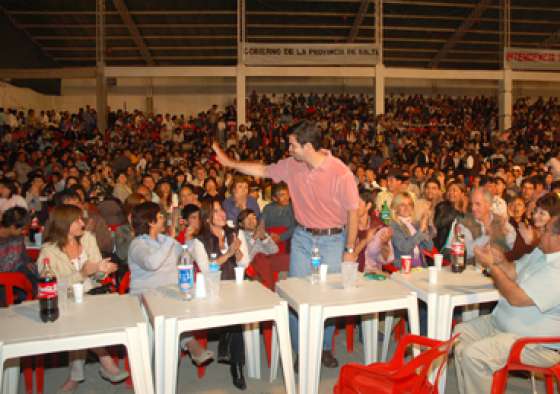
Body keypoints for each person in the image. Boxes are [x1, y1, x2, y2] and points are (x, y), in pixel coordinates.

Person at [213, 119, 359, 369]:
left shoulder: (340, 172)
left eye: (292, 145)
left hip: (334, 239)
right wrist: (230, 163)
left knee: (330, 297)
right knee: (296, 294)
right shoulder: (292, 165)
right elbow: (262, 170)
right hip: (302, 237)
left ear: (308, 146)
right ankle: (301, 349)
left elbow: (353, 213)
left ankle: (323, 347)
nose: (288, 149)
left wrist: (349, 250)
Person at [454, 215, 560, 394]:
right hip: (504, 325)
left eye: (546, 230)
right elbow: (513, 271)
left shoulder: (557, 270)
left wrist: (491, 267)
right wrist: (499, 260)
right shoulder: (541, 253)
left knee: (475, 355)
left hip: (535, 344)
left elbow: (515, 297)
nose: (539, 233)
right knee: (458, 336)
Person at [36, 204, 126, 392]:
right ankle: (105, 360)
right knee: (80, 320)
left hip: (92, 294)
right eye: (76, 220)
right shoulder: (49, 252)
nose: (82, 223)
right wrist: (82, 273)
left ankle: (76, 375)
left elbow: (97, 275)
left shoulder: (88, 239)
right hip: (65, 300)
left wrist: (102, 270)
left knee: (84, 319)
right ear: (64, 224)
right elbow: (52, 287)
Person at [127, 202, 213, 366]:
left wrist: (188, 239)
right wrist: (171, 239)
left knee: (203, 300)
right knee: (172, 311)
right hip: (147, 296)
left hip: (170, 293)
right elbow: (152, 263)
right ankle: (190, 344)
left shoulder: (165, 240)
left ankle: (185, 346)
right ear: (151, 222)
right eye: (160, 217)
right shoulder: (138, 244)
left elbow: (185, 257)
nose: (164, 220)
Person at [187, 199, 247, 390]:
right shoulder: (199, 241)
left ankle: (236, 365)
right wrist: (229, 254)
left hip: (233, 285)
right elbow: (206, 270)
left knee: (237, 315)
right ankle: (233, 357)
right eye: (216, 211)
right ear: (207, 218)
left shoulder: (234, 233)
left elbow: (244, 264)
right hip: (211, 290)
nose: (223, 214)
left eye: (222, 210)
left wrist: (237, 254)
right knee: (235, 318)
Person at [389, 191, 433, 268]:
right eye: (402, 205)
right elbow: (404, 248)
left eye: (409, 204)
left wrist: (425, 228)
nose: (407, 208)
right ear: (395, 208)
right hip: (403, 267)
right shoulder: (393, 225)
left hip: (420, 265)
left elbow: (429, 247)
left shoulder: (415, 224)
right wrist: (420, 231)